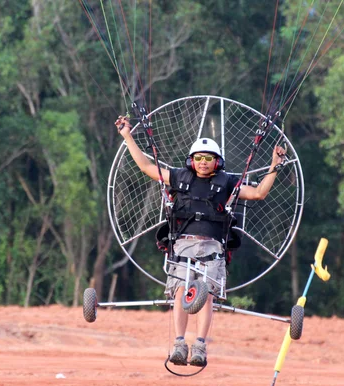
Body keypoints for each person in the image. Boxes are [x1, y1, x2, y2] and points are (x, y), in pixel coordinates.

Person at [115, 115, 285, 367]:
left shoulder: (227, 182)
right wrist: (128, 136)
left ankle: (200, 347)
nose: (203, 163)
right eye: (198, 158)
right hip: (183, 245)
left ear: (217, 162)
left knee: (205, 296)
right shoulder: (178, 177)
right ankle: (179, 344)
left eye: (208, 159)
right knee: (182, 292)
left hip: (212, 248)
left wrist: (274, 164)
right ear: (191, 160)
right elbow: (146, 168)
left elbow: (259, 192)